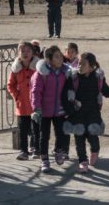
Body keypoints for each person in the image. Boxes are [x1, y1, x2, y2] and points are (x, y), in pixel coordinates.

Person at [61, 52, 109, 173]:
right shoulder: (72, 78)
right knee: (79, 139)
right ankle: (82, 161)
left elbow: (106, 91)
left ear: (92, 66)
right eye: (79, 63)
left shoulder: (98, 78)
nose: (79, 66)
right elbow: (66, 94)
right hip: (77, 114)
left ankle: (95, 151)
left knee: (92, 138)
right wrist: (69, 110)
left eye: (83, 64)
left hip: (93, 114)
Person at [31, 45, 71, 173]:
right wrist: (36, 108)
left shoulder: (66, 72)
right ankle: (45, 159)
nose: (60, 59)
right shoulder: (41, 74)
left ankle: (59, 150)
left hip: (59, 110)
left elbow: (71, 88)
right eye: (57, 57)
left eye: (61, 56)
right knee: (44, 136)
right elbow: (35, 92)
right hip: (44, 111)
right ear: (49, 59)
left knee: (61, 133)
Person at [7, 41, 40, 160]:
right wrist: (16, 95)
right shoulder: (16, 69)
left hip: (36, 103)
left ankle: (37, 149)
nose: (25, 53)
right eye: (23, 51)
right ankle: (23, 151)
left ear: (33, 53)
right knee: (22, 129)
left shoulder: (38, 67)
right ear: (18, 53)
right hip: (21, 104)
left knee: (36, 128)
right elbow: (10, 85)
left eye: (28, 51)